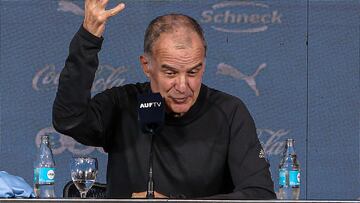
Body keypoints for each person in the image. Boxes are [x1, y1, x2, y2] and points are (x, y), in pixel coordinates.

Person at [53, 0, 276, 199]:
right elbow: (69, 119)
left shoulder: (229, 112)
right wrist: (88, 38)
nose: (182, 86)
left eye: (193, 72)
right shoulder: (123, 104)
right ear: (146, 66)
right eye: (170, 73)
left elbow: (261, 195)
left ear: (203, 65)